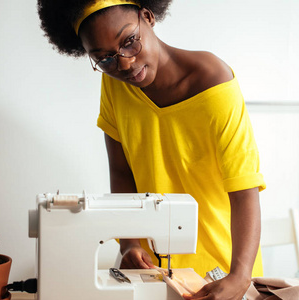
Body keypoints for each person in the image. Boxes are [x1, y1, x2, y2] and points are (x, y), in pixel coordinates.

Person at [37, 0, 266, 299]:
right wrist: (129, 242)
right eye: (104, 58)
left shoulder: (213, 83)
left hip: (224, 270)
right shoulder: (115, 85)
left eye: (129, 42)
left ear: (148, 16)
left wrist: (240, 275)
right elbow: (122, 171)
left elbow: (244, 188)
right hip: (151, 272)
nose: (125, 64)